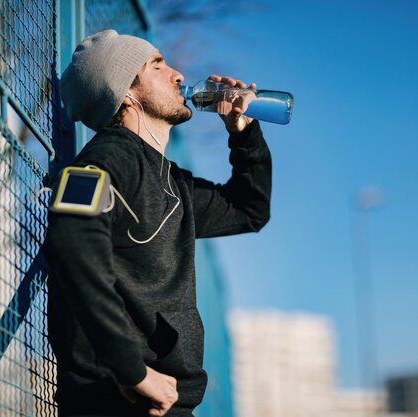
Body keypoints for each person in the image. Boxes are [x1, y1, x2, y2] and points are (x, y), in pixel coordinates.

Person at [44, 29, 272, 417]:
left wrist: (244, 134)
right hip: (117, 400)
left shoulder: (173, 182)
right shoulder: (104, 161)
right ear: (126, 92)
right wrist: (130, 369)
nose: (178, 74)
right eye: (158, 65)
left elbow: (248, 210)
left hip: (165, 402)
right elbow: (71, 241)